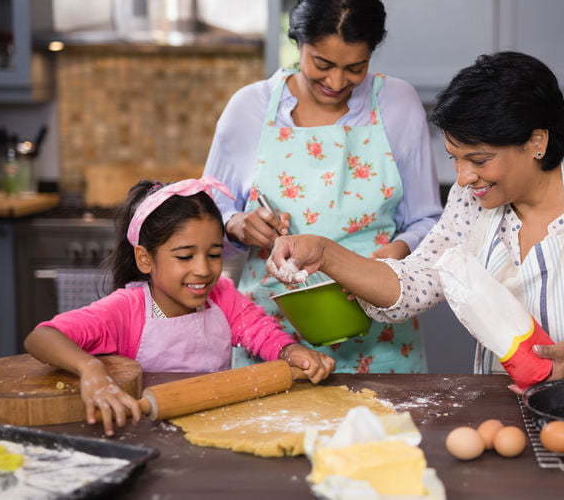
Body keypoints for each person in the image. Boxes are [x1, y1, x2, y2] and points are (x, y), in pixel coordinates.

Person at [266, 51, 564, 389]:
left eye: (478, 159)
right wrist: (324, 252)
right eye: (455, 159)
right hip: (506, 403)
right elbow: (414, 285)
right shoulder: (472, 200)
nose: (462, 178)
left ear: (536, 142)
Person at [203, 0, 442, 373]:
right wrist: (236, 225)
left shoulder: (398, 104)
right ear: (297, 41)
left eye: (355, 68)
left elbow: (427, 220)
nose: (336, 81)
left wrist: (396, 254)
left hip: (379, 337)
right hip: (271, 338)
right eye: (322, 63)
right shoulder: (249, 110)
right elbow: (206, 226)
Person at [24, 177, 335, 436]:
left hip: (215, 428)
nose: (203, 269)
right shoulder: (126, 309)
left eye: (214, 254)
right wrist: (90, 368)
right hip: (142, 431)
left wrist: (290, 352)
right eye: (185, 256)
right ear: (145, 259)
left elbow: (259, 331)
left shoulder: (222, 296)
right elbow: (42, 336)